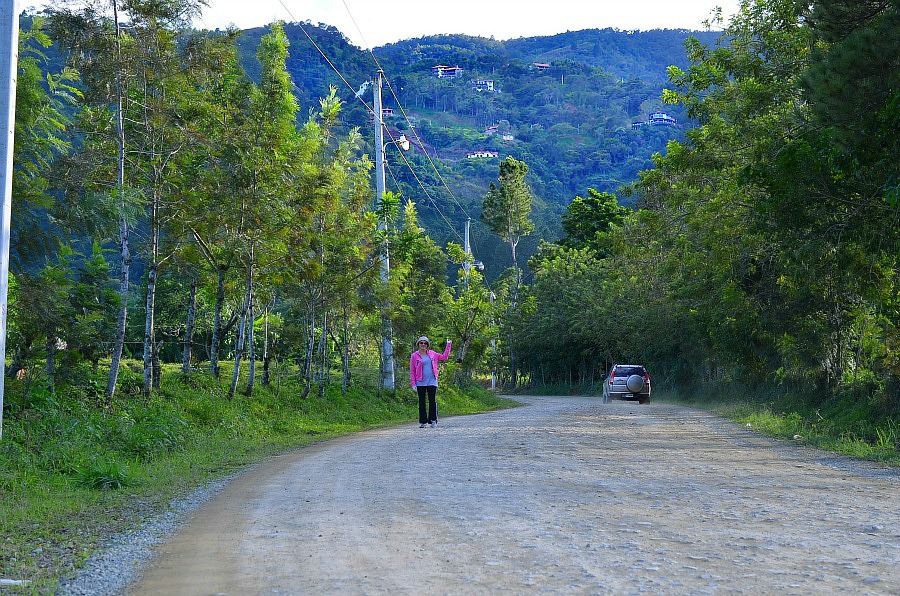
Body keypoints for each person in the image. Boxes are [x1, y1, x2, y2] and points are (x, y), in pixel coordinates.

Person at [409, 336, 452, 428]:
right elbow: (412, 370)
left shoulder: (433, 354)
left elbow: (444, 357)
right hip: (420, 381)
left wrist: (448, 345)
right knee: (422, 401)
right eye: (421, 343)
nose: (423, 344)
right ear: (418, 344)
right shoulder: (414, 356)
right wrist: (413, 383)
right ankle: (423, 422)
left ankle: (433, 420)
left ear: (427, 345)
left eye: (425, 343)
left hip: (432, 381)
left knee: (432, 401)